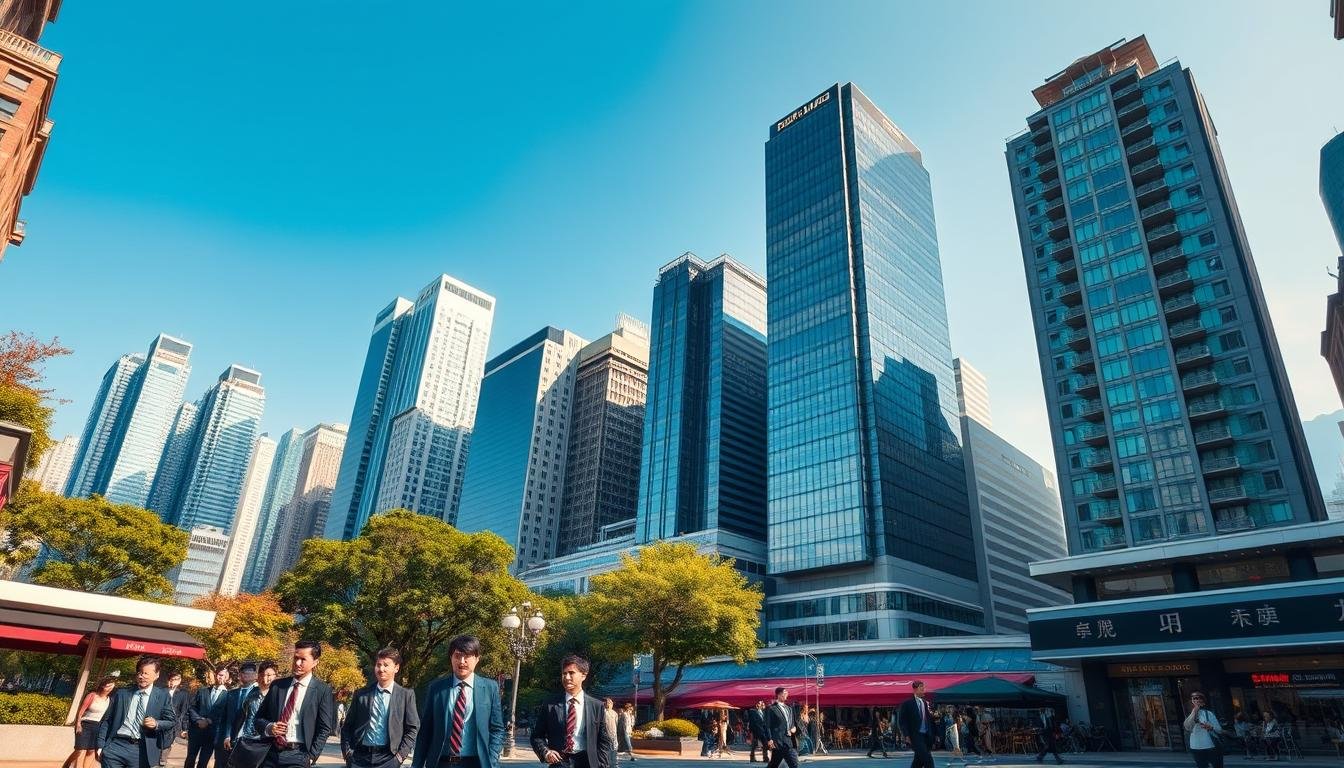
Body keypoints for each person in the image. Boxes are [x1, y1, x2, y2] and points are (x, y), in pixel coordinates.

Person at [412, 635, 503, 768]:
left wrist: (492, 759)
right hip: (441, 762)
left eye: (467, 656)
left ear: (477, 659)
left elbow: (497, 729)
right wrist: (417, 765)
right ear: (451, 658)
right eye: (457, 656)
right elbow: (425, 731)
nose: (462, 661)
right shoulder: (437, 688)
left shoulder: (490, 688)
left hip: (476, 763)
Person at [253, 640, 337, 768]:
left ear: (315, 662)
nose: (297, 663)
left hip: (298, 755)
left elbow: (324, 727)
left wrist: (311, 756)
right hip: (270, 753)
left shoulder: (322, 690)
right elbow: (258, 718)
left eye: (303, 659)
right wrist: (270, 727)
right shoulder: (277, 686)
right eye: (295, 658)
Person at [530, 654, 613, 768]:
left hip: (587, 762)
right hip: (559, 763)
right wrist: (546, 752)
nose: (567, 677)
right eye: (564, 673)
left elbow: (603, 741)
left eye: (571, 673)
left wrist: (603, 765)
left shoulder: (596, 706)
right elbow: (537, 736)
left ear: (583, 675)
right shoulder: (550, 705)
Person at [342, 648, 420, 768]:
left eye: (386, 665)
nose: (381, 669)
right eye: (378, 665)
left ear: (396, 668)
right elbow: (347, 726)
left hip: (388, 758)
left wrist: (399, 757)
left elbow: (412, 729)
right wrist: (347, 752)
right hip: (359, 757)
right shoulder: (362, 694)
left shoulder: (406, 695)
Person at [96, 657, 177, 768]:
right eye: (139, 672)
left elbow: (171, 721)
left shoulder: (163, 696)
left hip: (141, 751)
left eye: (145, 673)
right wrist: (101, 746)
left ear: (157, 675)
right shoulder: (122, 693)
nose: (141, 676)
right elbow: (107, 720)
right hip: (115, 747)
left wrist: (157, 724)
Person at [67, 675, 117, 768]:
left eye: (112, 686)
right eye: (108, 686)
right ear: (103, 686)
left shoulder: (110, 700)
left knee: (91, 750)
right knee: (80, 750)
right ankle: (73, 765)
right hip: (85, 724)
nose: (110, 688)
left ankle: (69, 765)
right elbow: (81, 711)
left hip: (98, 726)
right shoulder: (92, 695)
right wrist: (78, 724)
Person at [187, 666, 232, 768]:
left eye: (221, 675)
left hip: (212, 734)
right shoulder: (202, 691)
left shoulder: (229, 695)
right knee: (190, 758)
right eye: (216, 674)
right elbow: (192, 707)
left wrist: (209, 721)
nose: (218, 677)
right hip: (196, 730)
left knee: (203, 761)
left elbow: (226, 715)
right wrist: (198, 720)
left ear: (226, 678)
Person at [219, 664, 258, 767]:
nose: (247, 675)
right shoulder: (231, 693)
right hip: (229, 739)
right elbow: (225, 717)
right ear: (239, 675)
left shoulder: (259, 693)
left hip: (248, 739)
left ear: (255, 675)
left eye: (250, 672)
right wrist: (226, 735)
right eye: (244, 672)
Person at [898, 681, 935, 768]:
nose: (923, 689)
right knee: (927, 759)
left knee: (918, 761)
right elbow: (902, 721)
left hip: (926, 735)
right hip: (915, 735)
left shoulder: (925, 703)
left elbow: (928, 720)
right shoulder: (907, 704)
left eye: (923, 687)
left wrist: (934, 734)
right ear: (915, 689)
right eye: (920, 687)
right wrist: (906, 735)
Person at [1184, 691, 1224, 768]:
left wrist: (1211, 727)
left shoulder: (1208, 714)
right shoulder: (1189, 715)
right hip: (1196, 747)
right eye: (1194, 699)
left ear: (1203, 702)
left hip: (1210, 746)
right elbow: (1187, 727)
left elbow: (1219, 730)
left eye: (1199, 699)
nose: (1197, 701)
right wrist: (1195, 710)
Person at [162, 671, 191, 768]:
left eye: (174, 680)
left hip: (174, 723)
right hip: (160, 721)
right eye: (170, 680)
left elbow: (185, 711)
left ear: (179, 681)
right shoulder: (161, 691)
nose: (172, 682)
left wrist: (184, 728)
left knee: (167, 744)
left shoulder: (183, 694)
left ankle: (162, 762)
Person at [765, 687, 799, 768]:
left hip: (788, 741)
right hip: (777, 741)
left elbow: (793, 724)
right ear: (779, 695)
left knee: (792, 764)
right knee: (791, 764)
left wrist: (793, 728)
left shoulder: (789, 709)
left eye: (787, 692)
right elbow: (767, 726)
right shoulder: (771, 708)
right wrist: (769, 739)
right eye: (785, 693)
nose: (787, 694)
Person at [603, 700, 620, 764]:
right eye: (607, 703)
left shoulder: (614, 713)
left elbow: (616, 723)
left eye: (610, 703)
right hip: (605, 734)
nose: (609, 705)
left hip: (613, 733)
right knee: (606, 749)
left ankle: (614, 762)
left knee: (614, 749)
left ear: (612, 704)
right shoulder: (603, 712)